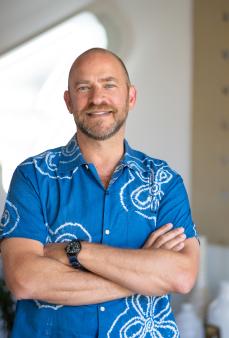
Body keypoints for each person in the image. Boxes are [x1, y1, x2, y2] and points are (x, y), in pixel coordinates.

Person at [0, 48, 199, 338]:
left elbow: (181, 276)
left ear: (130, 97)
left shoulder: (164, 181)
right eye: (84, 88)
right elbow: (25, 280)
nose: (97, 98)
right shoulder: (32, 177)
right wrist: (145, 274)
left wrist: (75, 251)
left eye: (109, 85)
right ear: (68, 101)